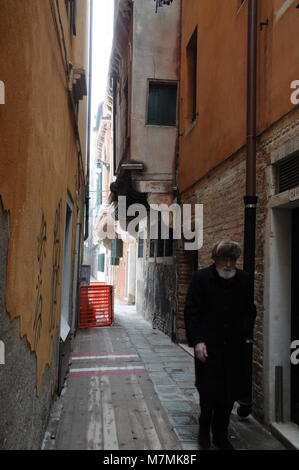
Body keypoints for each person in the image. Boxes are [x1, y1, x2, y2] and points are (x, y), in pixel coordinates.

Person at [184, 240, 256, 450]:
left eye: (232, 260)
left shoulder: (243, 280)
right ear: (216, 260)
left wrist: (244, 332)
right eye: (224, 259)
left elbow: (250, 310)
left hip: (234, 349)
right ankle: (204, 433)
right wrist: (197, 341)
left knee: (228, 395)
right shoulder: (201, 278)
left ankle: (221, 435)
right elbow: (192, 311)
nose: (228, 264)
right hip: (208, 348)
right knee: (208, 395)